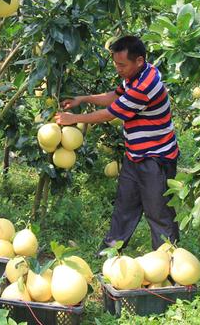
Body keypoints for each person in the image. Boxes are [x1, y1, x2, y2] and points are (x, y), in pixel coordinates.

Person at [54, 35, 180, 251]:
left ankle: (168, 262)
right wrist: (82, 99)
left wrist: (73, 119)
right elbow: (115, 96)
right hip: (135, 154)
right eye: (116, 64)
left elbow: (110, 113)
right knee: (124, 206)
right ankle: (110, 251)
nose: (118, 69)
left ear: (138, 61)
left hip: (156, 158)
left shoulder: (146, 85)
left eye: (122, 65)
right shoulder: (137, 74)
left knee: (158, 212)